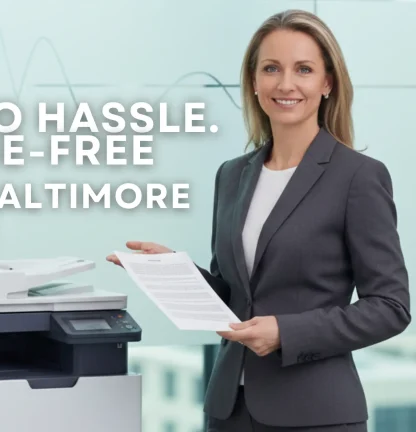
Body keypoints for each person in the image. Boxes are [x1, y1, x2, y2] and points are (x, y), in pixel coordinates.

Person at [107, 9, 411, 432]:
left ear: (327, 83)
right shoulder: (233, 174)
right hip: (230, 409)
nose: (285, 84)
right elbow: (236, 297)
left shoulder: (358, 177)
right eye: (271, 68)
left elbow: (390, 308)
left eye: (303, 69)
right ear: (254, 81)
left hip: (315, 414)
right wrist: (173, 272)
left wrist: (285, 332)